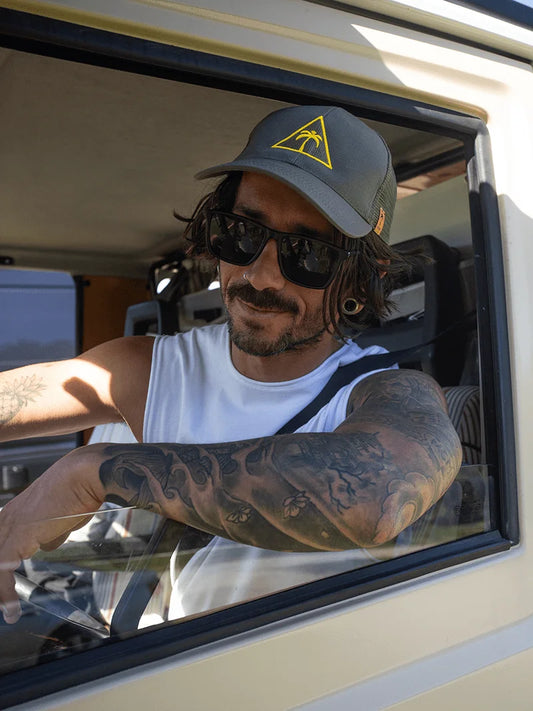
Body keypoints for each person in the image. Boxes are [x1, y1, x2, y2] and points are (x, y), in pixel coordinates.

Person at [0, 105, 462, 624]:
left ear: (361, 275)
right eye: (241, 233)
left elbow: (376, 496)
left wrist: (92, 471)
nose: (260, 277)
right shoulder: (147, 370)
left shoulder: (385, 394)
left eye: (308, 254)